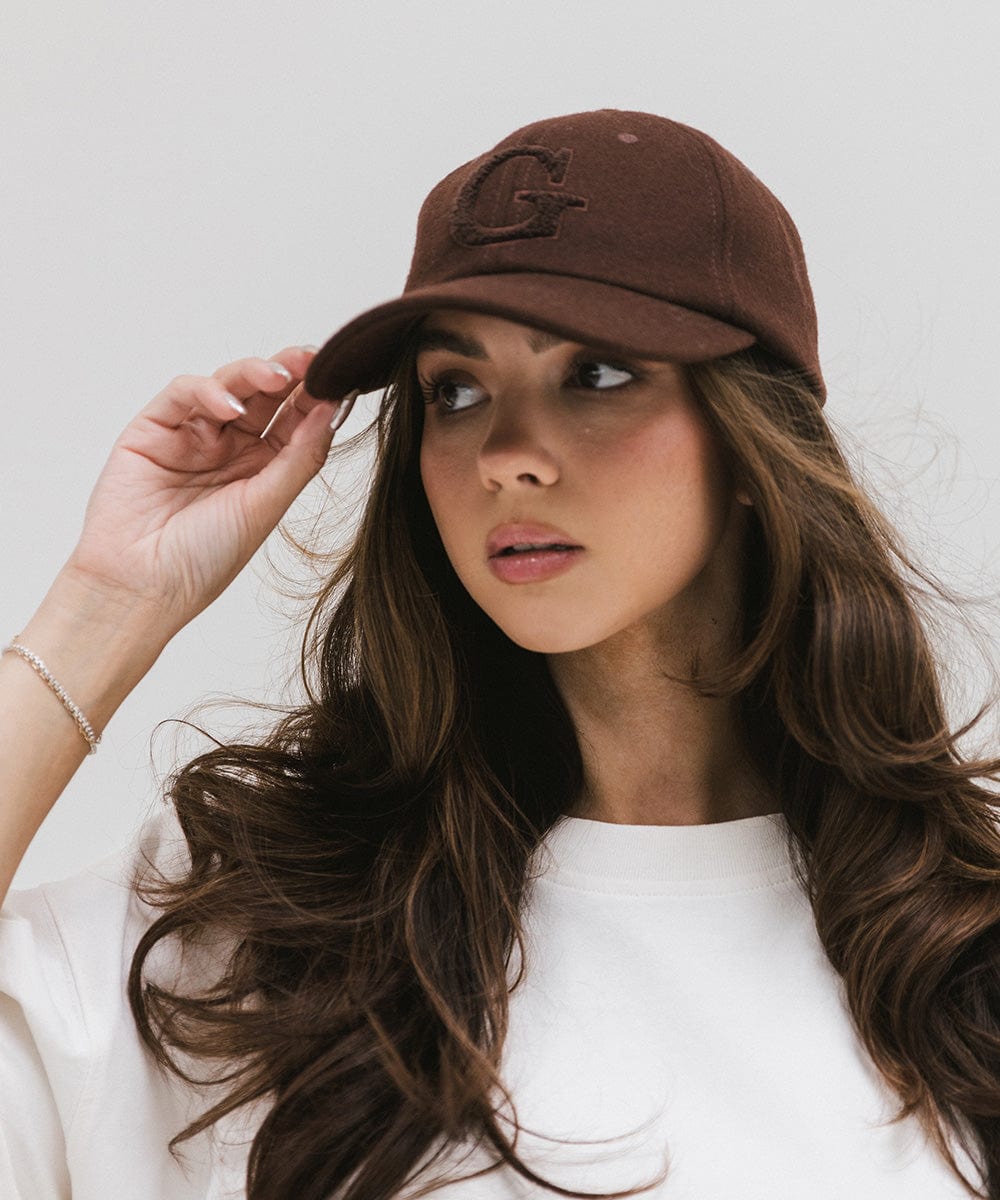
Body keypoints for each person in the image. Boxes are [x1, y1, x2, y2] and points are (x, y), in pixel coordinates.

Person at [1, 108, 998, 1200]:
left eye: (598, 376)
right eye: (456, 392)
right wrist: (110, 604)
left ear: (753, 440)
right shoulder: (258, 924)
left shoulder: (960, 951)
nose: (508, 456)